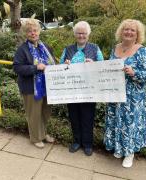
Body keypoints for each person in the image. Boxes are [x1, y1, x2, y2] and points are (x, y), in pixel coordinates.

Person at [104, 19, 146, 168]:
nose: (129, 32)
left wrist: (134, 72)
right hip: (115, 93)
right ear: (121, 31)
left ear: (137, 34)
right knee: (115, 120)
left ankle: (130, 153)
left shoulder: (142, 50)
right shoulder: (116, 47)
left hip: (133, 97)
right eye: (126, 29)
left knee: (129, 124)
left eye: (132, 30)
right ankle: (119, 148)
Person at [60, 21, 104, 156]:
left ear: (88, 34)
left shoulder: (95, 48)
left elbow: (103, 68)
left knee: (88, 117)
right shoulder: (68, 49)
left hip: (89, 91)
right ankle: (77, 141)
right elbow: (59, 68)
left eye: (84, 33)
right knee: (74, 117)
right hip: (72, 91)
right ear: (74, 34)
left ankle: (88, 144)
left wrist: (94, 64)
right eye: (78, 33)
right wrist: (65, 64)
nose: (81, 35)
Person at [13, 19, 56, 148]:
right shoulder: (22, 49)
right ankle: (36, 138)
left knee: (45, 112)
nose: (33, 33)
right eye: (30, 31)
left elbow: (53, 62)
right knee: (34, 114)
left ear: (39, 31)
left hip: (46, 86)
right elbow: (17, 67)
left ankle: (43, 134)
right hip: (31, 88)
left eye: (35, 30)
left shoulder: (46, 47)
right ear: (26, 34)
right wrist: (35, 68)